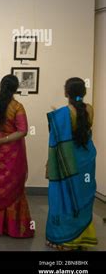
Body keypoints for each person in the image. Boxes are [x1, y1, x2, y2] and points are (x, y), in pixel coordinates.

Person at [0, 74, 34, 238]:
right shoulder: (17, 107)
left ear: (2, 86)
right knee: (12, 189)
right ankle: (11, 227)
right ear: (16, 89)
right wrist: (4, 140)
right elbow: (23, 131)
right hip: (12, 155)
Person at [45, 78, 98, 250]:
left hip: (68, 160)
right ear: (84, 92)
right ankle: (84, 236)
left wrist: (56, 119)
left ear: (66, 93)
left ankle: (64, 238)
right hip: (86, 158)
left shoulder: (63, 113)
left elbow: (57, 138)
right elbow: (85, 128)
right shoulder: (90, 109)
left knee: (64, 195)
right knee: (83, 194)